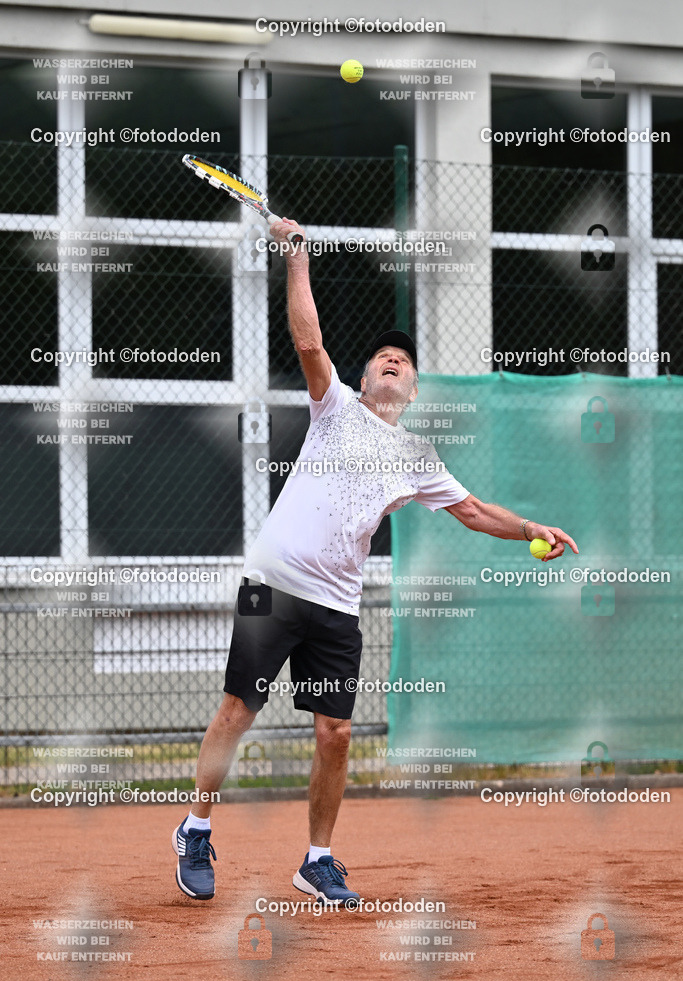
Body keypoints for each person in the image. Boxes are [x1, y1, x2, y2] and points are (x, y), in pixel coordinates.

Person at [172, 217, 579, 904]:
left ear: (414, 391)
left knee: (334, 734)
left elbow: (475, 512)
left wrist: (531, 528)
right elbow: (307, 338)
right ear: (361, 380)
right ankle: (195, 827)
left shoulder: (417, 458)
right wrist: (297, 258)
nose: (393, 360)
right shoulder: (335, 409)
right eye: (382, 358)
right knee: (238, 710)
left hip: (336, 605)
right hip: (272, 584)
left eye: (404, 361)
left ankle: (317, 860)